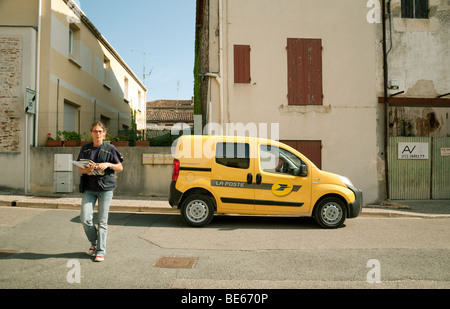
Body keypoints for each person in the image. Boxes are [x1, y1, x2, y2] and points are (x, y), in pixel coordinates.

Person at [77, 122, 123, 262]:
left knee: (102, 221)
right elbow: (80, 169)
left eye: (100, 131)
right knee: (85, 219)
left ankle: (101, 251)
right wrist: (88, 170)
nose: (97, 134)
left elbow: (120, 167)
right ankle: (95, 243)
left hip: (105, 188)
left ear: (104, 133)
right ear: (91, 133)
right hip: (89, 188)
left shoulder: (110, 148)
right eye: (95, 131)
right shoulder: (85, 149)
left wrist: (107, 164)